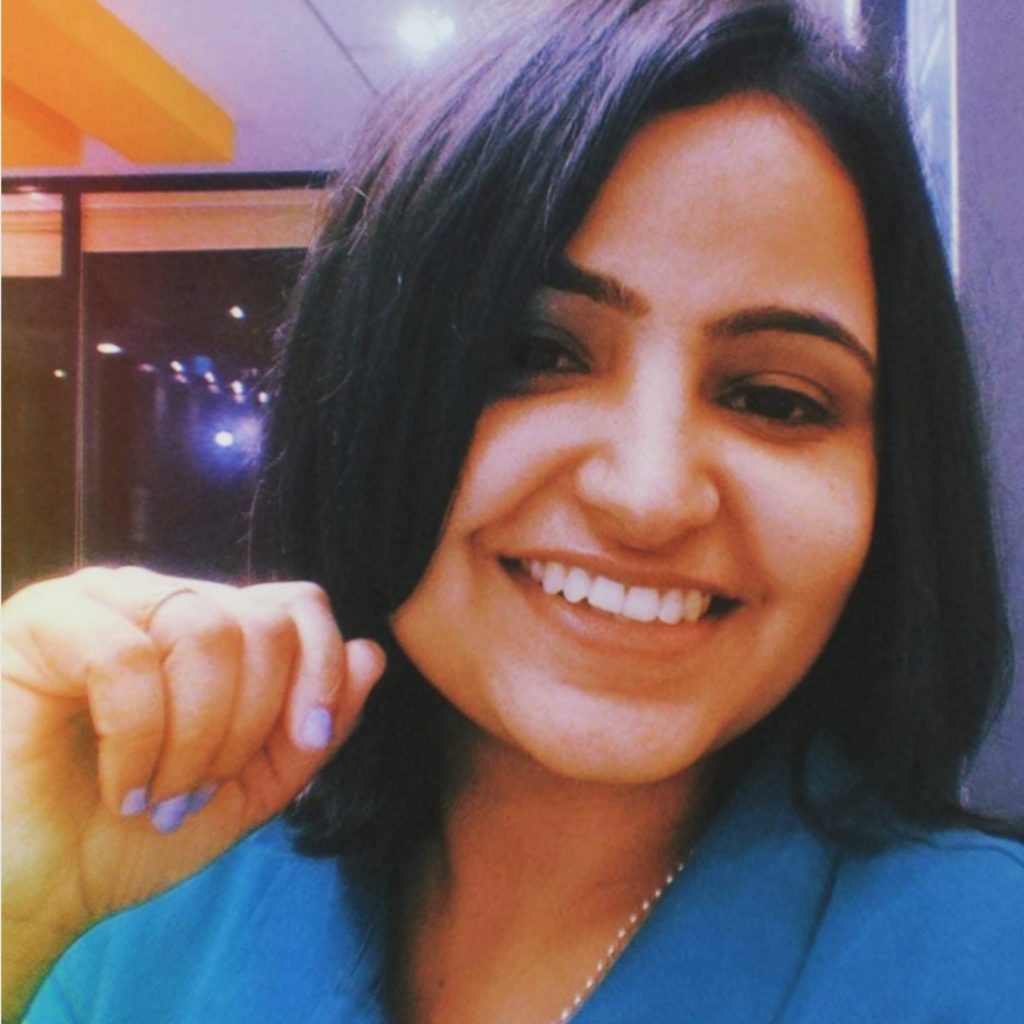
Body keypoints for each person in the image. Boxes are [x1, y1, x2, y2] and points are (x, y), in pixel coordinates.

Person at [4, 1, 1023, 1021]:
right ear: (358, 389)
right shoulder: (137, 909)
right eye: (535, 353)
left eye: (775, 400)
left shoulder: (982, 961)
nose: (648, 496)